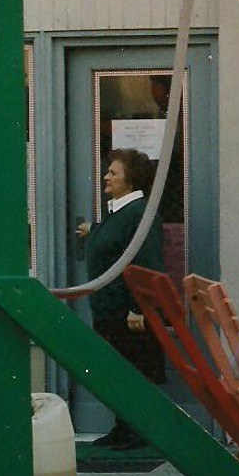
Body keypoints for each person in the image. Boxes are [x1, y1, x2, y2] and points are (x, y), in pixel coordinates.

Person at [76, 147, 166, 451]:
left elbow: (149, 263)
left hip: (128, 314)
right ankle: (122, 428)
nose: (106, 177)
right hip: (110, 312)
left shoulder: (140, 213)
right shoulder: (120, 213)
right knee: (118, 371)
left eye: (113, 173)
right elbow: (116, 239)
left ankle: (137, 433)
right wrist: (93, 230)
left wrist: (139, 308)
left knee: (134, 372)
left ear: (131, 179)